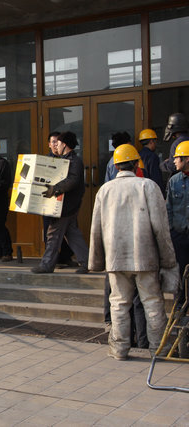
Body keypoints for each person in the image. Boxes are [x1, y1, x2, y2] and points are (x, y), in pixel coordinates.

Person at [89, 144, 177, 360]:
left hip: (115, 259)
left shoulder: (104, 191)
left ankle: (119, 350)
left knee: (118, 304)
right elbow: (161, 228)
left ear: (116, 166)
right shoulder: (148, 186)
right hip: (145, 258)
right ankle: (159, 350)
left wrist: (96, 262)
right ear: (137, 164)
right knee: (153, 303)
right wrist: (168, 260)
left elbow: (96, 229)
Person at [32, 131, 89, 274]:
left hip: (65, 206)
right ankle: (87, 262)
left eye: (58, 143)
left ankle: (47, 265)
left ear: (65, 144)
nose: (56, 145)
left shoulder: (74, 161)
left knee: (53, 234)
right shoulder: (65, 160)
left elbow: (72, 181)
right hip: (66, 205)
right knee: (73, 235)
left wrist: (54, 189)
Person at [43, 131, 75, 267]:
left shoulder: (67, 159)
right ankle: (51, 259)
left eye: (58, 142)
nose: (56, 144)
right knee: (49, 230)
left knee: (68, 231)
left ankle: (66, 257)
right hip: (49, 200)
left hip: (65, 201)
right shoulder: (45, 161)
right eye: (53, 142)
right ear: (49, 144)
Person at [166, 140, 189, 293]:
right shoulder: (174, 181)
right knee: (179, 274)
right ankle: (180, 302)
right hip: (179, 236)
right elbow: (168, 208)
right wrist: (171, 231)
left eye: (177, 157)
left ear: (187, 159)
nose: (174, 161)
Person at [138, 129, 164, 194]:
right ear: (151, 141)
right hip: (151, 191)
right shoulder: (153, 156)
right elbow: (156, 177)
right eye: (155, 141)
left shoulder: (137, 155)